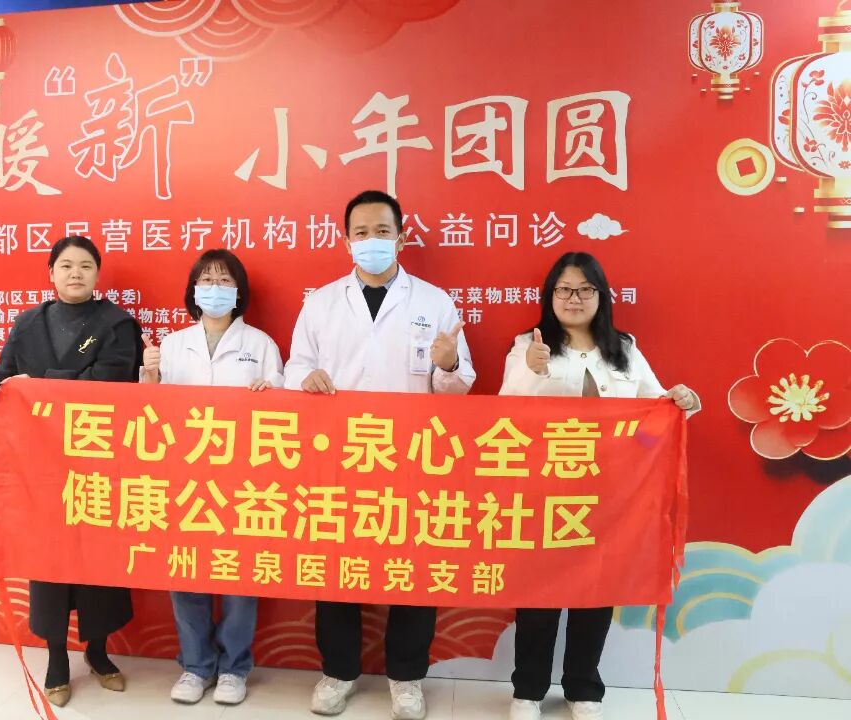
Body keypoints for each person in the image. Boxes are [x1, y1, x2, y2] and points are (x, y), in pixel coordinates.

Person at [285, 189, 476, 720]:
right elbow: (294, 366)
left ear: (401, 237)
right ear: (346, 241)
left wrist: (449, 362)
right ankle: (338, 671)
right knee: (336, 567)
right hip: (338, 455)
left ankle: (407, 678)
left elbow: (458, 387)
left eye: (383, 231)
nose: (372, 240)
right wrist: (307, 377)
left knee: (412, 569)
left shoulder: (433, 302)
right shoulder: (321, 302)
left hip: (412, 455)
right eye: (362, 232)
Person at [499, 251, 700, 720]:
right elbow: (506, 413)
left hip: (611, 494)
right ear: (550, 296)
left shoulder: (624, 348)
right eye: (564, 289)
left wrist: (684, 402)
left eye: (585, 289)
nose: (574, 298)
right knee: (539, 593)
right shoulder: (528, 345)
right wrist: (532, 367)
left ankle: (583, 687)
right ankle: (528, 689)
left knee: (597, 589)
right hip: (545, 491)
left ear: (601, 296)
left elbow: (656, 414)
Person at [0, 235, 143, 708]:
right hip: (40, 465)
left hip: (98, 459)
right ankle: (57, 659)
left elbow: (110, 383)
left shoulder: (117, 323)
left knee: (99, 562)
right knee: (47, 562)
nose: (75, 273)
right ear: (51, 273)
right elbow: (6, 381)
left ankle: (99, 653)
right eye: (65, 265)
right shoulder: (27, 323)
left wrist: (39, 384)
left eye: (85, 265)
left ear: (97, 274)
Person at [141, 249, 284, 706]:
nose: (215, 288)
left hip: (244, 478)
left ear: (239, 292)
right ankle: (196, 665)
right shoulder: (172, 344)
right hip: (184, 475)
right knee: (187, 571)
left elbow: (284, 411)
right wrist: (149, 375)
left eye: (225, 280)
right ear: (193, 290)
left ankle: (234, 668)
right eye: (207, 280)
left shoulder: (261, 344)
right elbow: (150, 412)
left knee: (240, 575)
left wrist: (271, 393)